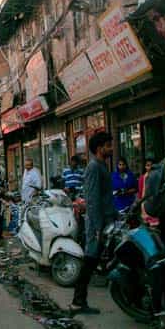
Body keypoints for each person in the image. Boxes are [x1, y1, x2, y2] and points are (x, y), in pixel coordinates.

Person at [70, 132, 115, 315]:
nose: (111, 149)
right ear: (99, 148)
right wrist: (97, 228)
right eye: (108, 145)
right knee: (89, 261)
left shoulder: (102, 166)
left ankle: (79, 301)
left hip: (105, 221)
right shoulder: (94, 167)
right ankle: (77, 302)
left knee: (92, 260)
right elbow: (93, 199)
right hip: (97, 224)